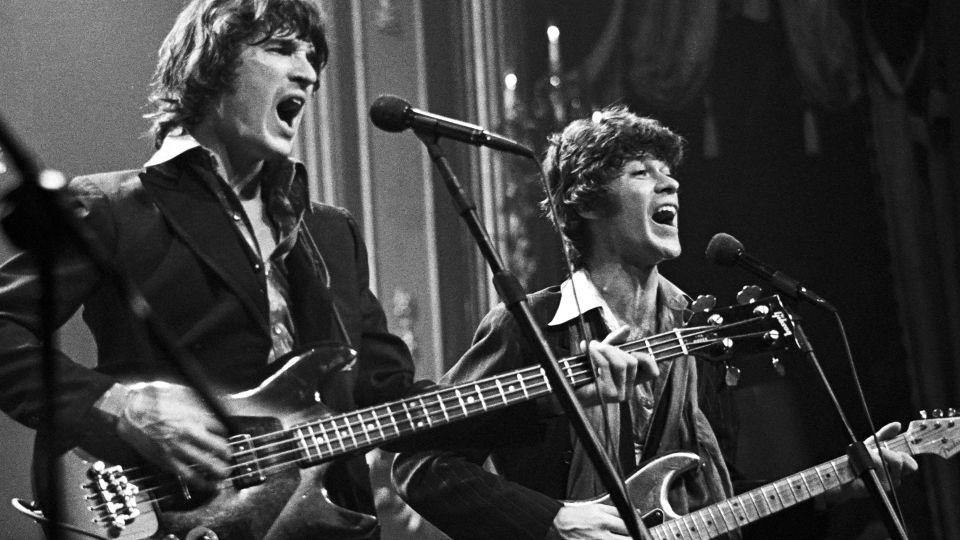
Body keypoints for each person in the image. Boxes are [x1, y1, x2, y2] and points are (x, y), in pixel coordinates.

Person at [0, 0, 428, 537]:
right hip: (169, 515)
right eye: (279, 49)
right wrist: (121, 407)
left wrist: (542, 385)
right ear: (211, 65)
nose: (308, 72)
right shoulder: (111, 207)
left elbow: (385, 393)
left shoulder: (330, 233)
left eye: (312, 57)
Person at [392, 106, 917, 539]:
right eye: (641, 172)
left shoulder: (702, 330)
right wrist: (551, 519)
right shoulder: (531, 325)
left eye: (669, 172)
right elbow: (421, 464)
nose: (669, 183)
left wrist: (834, 486)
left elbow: (721, 495)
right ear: (586, 201)